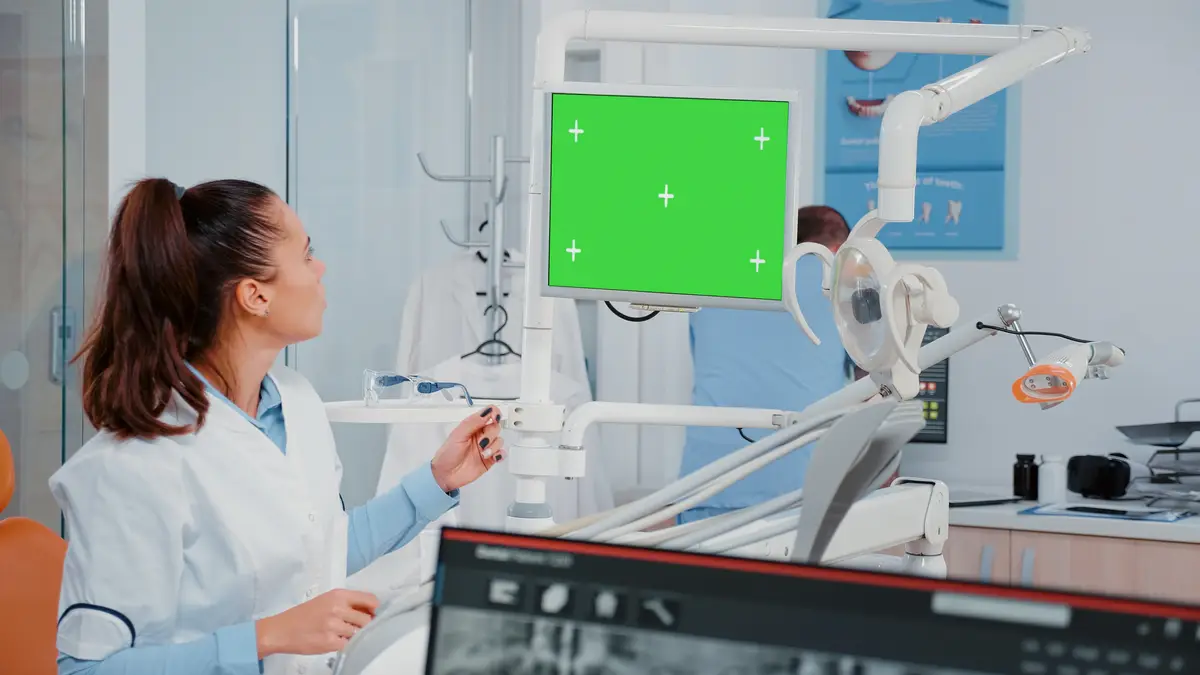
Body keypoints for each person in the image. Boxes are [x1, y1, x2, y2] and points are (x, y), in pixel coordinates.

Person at [52, 178, 506, 675]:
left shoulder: (294, 402)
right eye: (306, 254)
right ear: (255, 295)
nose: (321, 268)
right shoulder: (132, 465)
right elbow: (85, 670)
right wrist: (266, 637)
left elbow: (316, 553)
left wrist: (437, 481)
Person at [677, 205, 851, 525]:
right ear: (839, 249)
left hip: (706, 483)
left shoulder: (713, 280)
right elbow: (876, 390)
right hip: (802, 486)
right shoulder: (844, 285)